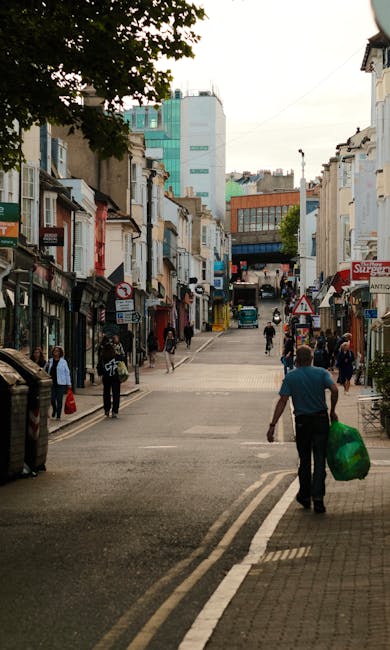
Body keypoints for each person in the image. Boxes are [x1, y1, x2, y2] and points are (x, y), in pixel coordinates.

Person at [267, 345, 338, 514]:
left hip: (302, 423)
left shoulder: (291, 377)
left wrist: (272, 425)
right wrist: (333, 410)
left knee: (305, 460)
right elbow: (334, 389)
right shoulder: (321, 373)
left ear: (297, 360)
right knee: (320, 460)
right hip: (321, 420)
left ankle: (305, 496)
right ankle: (318, 498)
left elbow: (283, 402)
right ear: (311, 359)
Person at [46, 346, 72, 420]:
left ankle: (58, 416)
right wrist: (47, 366)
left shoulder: (63, 362)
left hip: (61, 383)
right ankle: (54, 409)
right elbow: (45, 371)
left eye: (57, 351)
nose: (56, 352)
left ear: (60, 353)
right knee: (52, 399)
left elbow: (67, 373)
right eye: (55, 351)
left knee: (59, 399)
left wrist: (69, 384)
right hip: (52, 383)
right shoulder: (50, 361)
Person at [99, 340, 120, 418]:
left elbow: (99, 367)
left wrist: (101, 374)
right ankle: (115, 411)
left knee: (106, 394)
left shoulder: (102, 356)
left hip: (106, 378)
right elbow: (122, 363)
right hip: (115, 378)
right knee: (116, 394)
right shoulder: (117, 356)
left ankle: (107, 410)